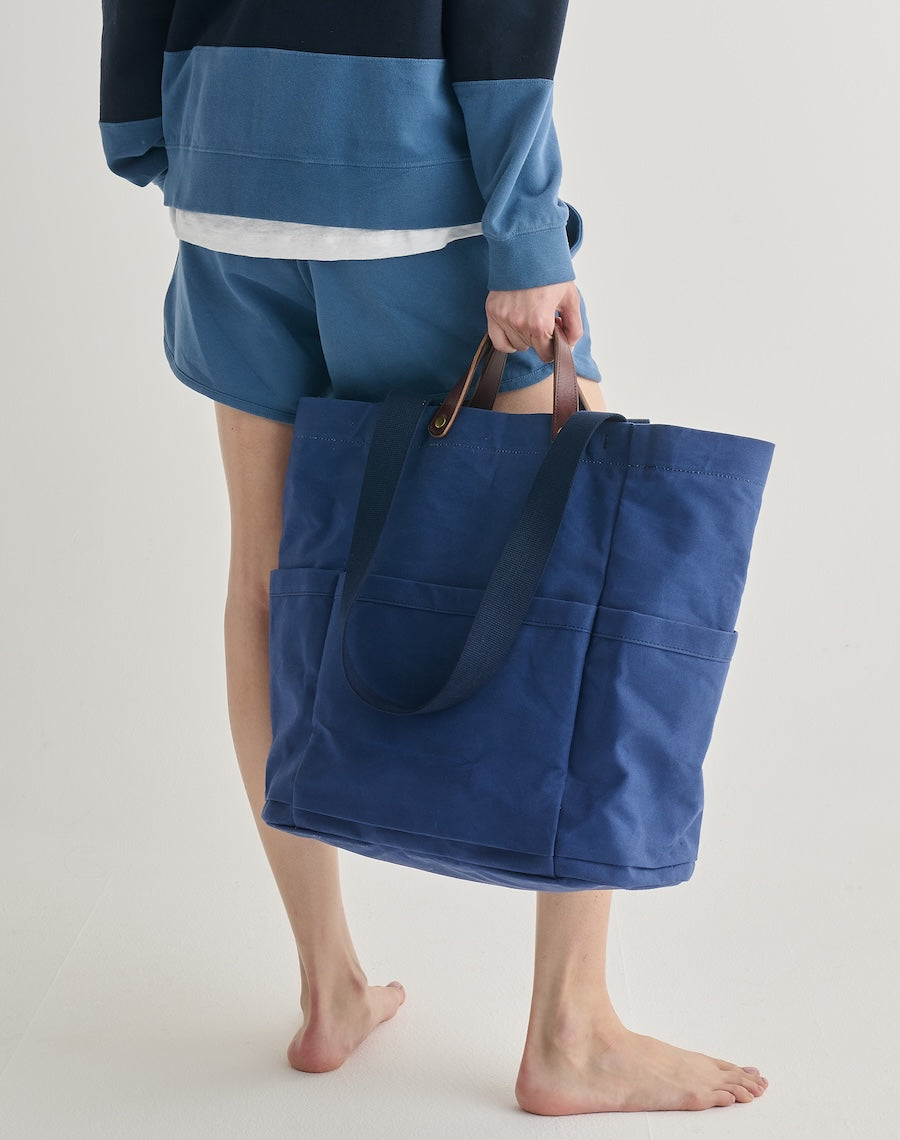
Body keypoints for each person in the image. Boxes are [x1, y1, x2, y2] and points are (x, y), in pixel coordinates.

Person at [99, 0, 767, 1115]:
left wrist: (153, 133)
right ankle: (572, 1032)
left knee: (265, 582)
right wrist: (527, 236)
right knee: (581, 564)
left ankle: (327, 989)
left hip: (224, 180)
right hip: (411, 189)